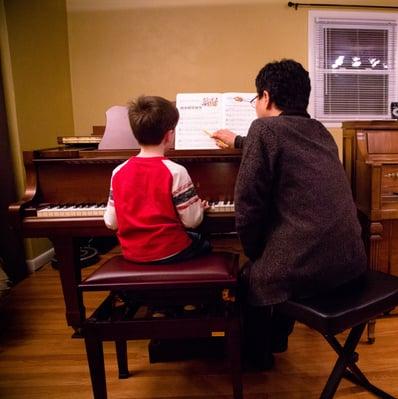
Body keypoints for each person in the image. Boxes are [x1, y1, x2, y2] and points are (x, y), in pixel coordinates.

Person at [218, 59, 367, 369]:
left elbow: (247, 205)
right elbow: (284, 143)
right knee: (277, 258)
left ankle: (257, 357)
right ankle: (278, 338)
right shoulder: (318, 131)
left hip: (311, 267)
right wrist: (236, 140)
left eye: (256, 98)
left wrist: (254, 252)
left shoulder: (263, 129)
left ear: (266, 97)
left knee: (249, 276)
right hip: (350, 260)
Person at [103, 95, 211, 264]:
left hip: (132, 253)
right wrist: (198, 208)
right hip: (170, 250)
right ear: (169, 136)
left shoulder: (118, 171)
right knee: (203, 242)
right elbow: (192, 221)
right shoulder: (176, 171)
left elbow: (111, 222)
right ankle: (194, 289)